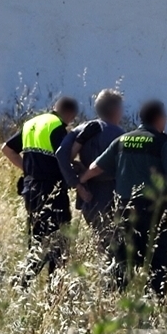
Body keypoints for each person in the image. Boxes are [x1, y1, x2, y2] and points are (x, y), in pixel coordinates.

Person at [79, 99, 167, 298]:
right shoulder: (162, 142)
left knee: (121, 262)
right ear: (159, 119)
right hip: (153, 214)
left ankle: (112, 306)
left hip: (124, 212)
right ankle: (150, 309)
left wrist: (80, 181)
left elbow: (96, 167)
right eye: (165, 118)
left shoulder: (122, 140)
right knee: (159, 262)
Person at [1, 96, 80, 287]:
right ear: (69, 114)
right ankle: (51, 291)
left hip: (30, 189)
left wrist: (27, 170)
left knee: (37, 241)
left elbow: (7, 149)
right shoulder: (57, 127)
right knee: (59, 243)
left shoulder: (31, 123)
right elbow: (64, 157)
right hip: (51, 190)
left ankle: (23, 285)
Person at [54, 89, 126, 285]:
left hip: (88, 196)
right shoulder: (120, 134)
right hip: (110, 193)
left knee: (101, 241)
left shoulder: (82, 129)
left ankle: (105, 284)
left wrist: (76, 182)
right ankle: (111, 287)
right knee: (114, 245)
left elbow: (61, 154)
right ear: (116, 110)